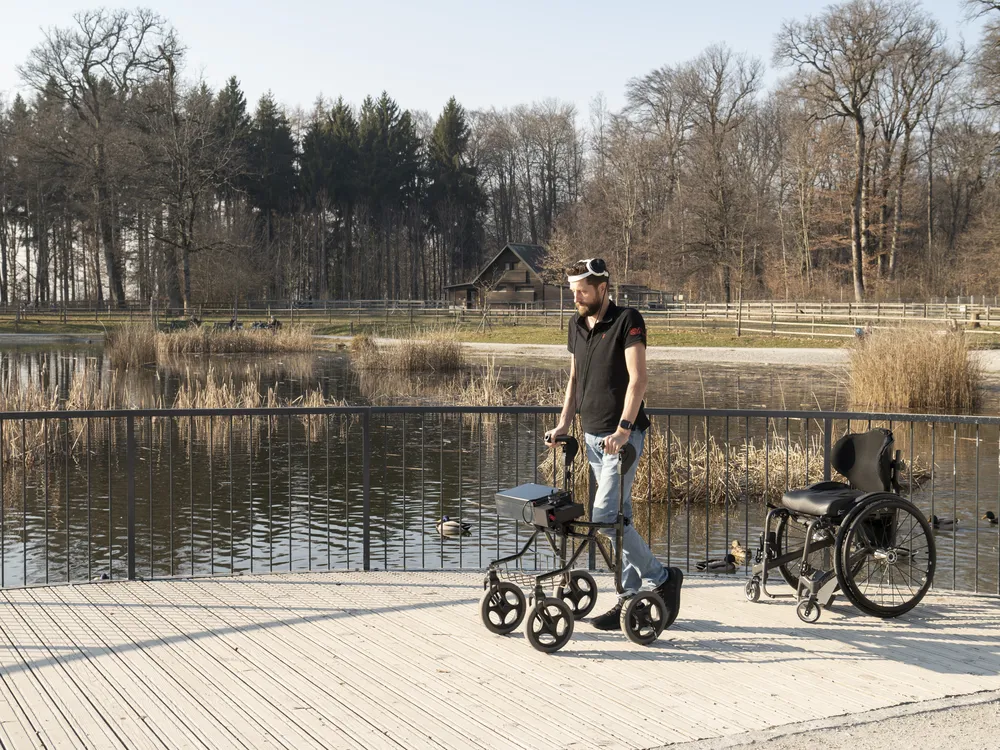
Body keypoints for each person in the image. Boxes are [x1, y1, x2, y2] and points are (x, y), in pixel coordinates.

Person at [544, 257, 683, 631]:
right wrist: (562, 423)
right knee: (620, 518)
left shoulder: (628, 320)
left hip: (621, 438)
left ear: (602, 289)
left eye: (583, 292)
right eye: (573, 291)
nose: (576, 298)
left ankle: (663, 576)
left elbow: (638, 380)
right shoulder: (576, 324)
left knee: (604, 516)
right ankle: (629, 598)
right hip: (592, 437)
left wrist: (623, 429)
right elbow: (574, 380)